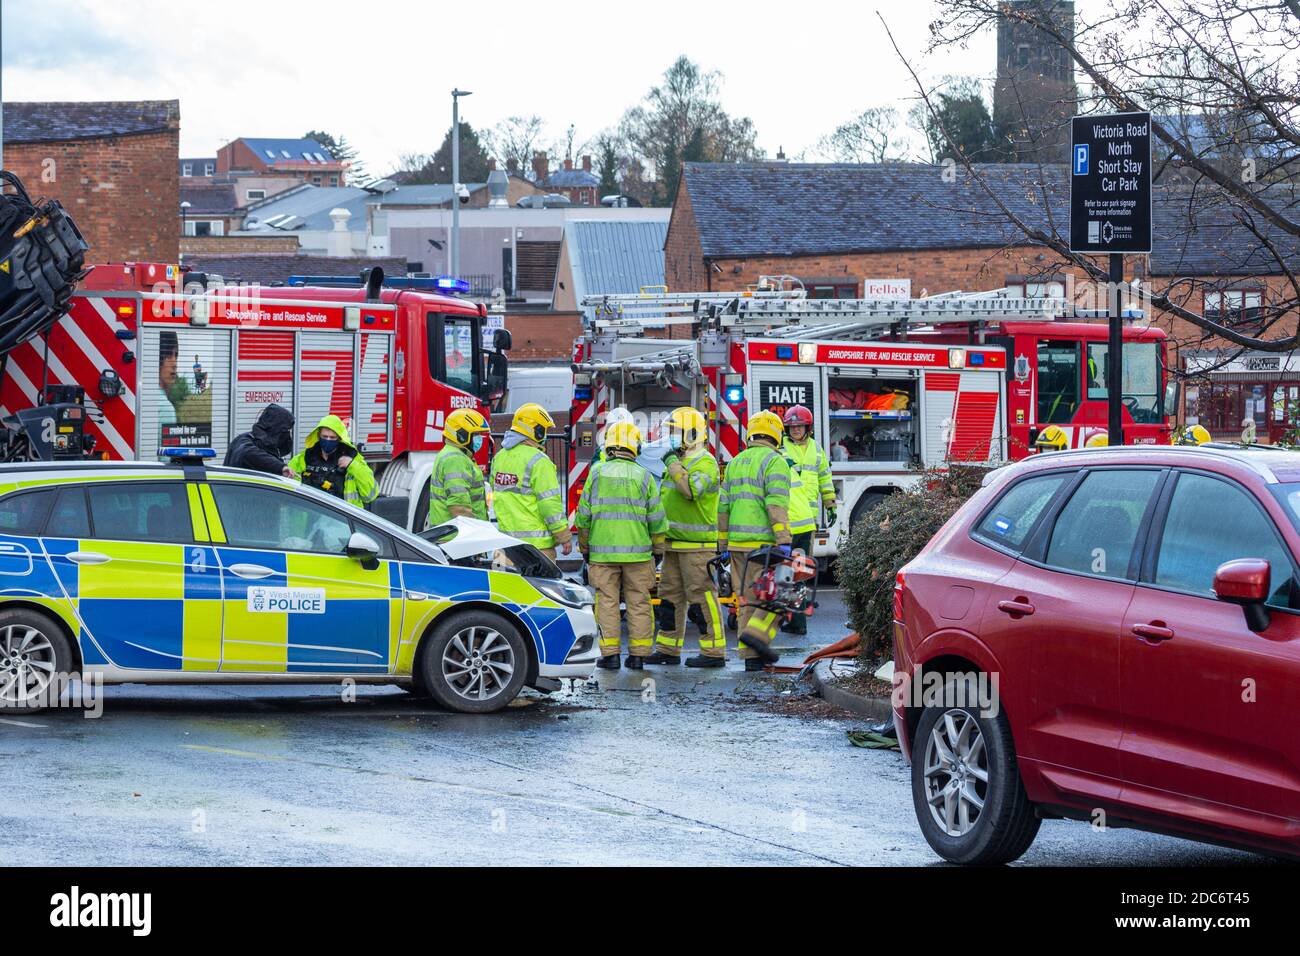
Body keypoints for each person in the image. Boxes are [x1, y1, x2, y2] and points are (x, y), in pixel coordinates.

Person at [576, 419, 667, 671]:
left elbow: (583, 516)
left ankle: (610, 654)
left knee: (606, 602)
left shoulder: (596, 473)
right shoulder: (644, 476)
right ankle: (638, 656)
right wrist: (657, 551)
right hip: (639, 555)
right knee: (639, 602)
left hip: (602, 555)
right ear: (634, 446)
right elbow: (657, 520)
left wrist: (585, 548)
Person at [644, 406, 726, 668]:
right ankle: (668, 650)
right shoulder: (678, 462)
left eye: (675, 432)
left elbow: (690, 490)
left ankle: (713, 652)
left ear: (692, 433)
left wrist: (671, 463)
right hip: (673, 545)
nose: (671, 437)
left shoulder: (706, 462)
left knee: (702, 600)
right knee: (669, 599)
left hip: (697, 548)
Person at [718, 410, 792, 672]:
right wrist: (783, 539)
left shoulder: (736, 462)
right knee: (781, 595)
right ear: (776, 435)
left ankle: (751, 658)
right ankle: (757, 636)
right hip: (763, 545)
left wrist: (723, 545)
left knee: (747, 599)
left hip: (737, 545)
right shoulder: (775, 461)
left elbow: (723, 507)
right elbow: (775, 504)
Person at [779, 404, 837, 636]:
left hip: (804, 523)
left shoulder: (816, 449)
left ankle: (797, 620)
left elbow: (825, 477)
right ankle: (793, 617)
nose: (795, 430)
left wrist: (830, 503)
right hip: (785, 521)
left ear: (808, 428)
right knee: (786, 572)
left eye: (799, 426)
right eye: (791, 427)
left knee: (798, 572)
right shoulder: (779, 448)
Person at [490, 403, 571, 560]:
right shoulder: (539, 461)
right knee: (538, 586)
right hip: (536, 549)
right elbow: (549, 504)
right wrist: (563, 536)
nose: (545, 435)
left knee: (505, 585)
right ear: (536, 430)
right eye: (544, 430)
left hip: (505, 545)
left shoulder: (499, 457)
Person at [288, 414, 378, 509]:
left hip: (341, 519)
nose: (328, 440)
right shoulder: (305, 457)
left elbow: (370, 495)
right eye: (325, 436)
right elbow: (288, 485)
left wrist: (352, 466)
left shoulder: (353, 458)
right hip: (309, 517)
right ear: (318, 436)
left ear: (339, 438)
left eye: (332, 438)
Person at [427, 408, 490, 526]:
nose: (479, 439)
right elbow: (459, 506)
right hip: (457, 537)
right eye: (475, 434)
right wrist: (477, 531)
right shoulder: (456, 459)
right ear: (462, 435)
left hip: (450, 535)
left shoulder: (452, 454)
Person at [224, 403, 295, 476]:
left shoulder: (266, 446)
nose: (287, 435)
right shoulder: (244, 441)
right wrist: (280, 467)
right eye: (285, 430)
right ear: (276, 429)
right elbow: (248, 453)